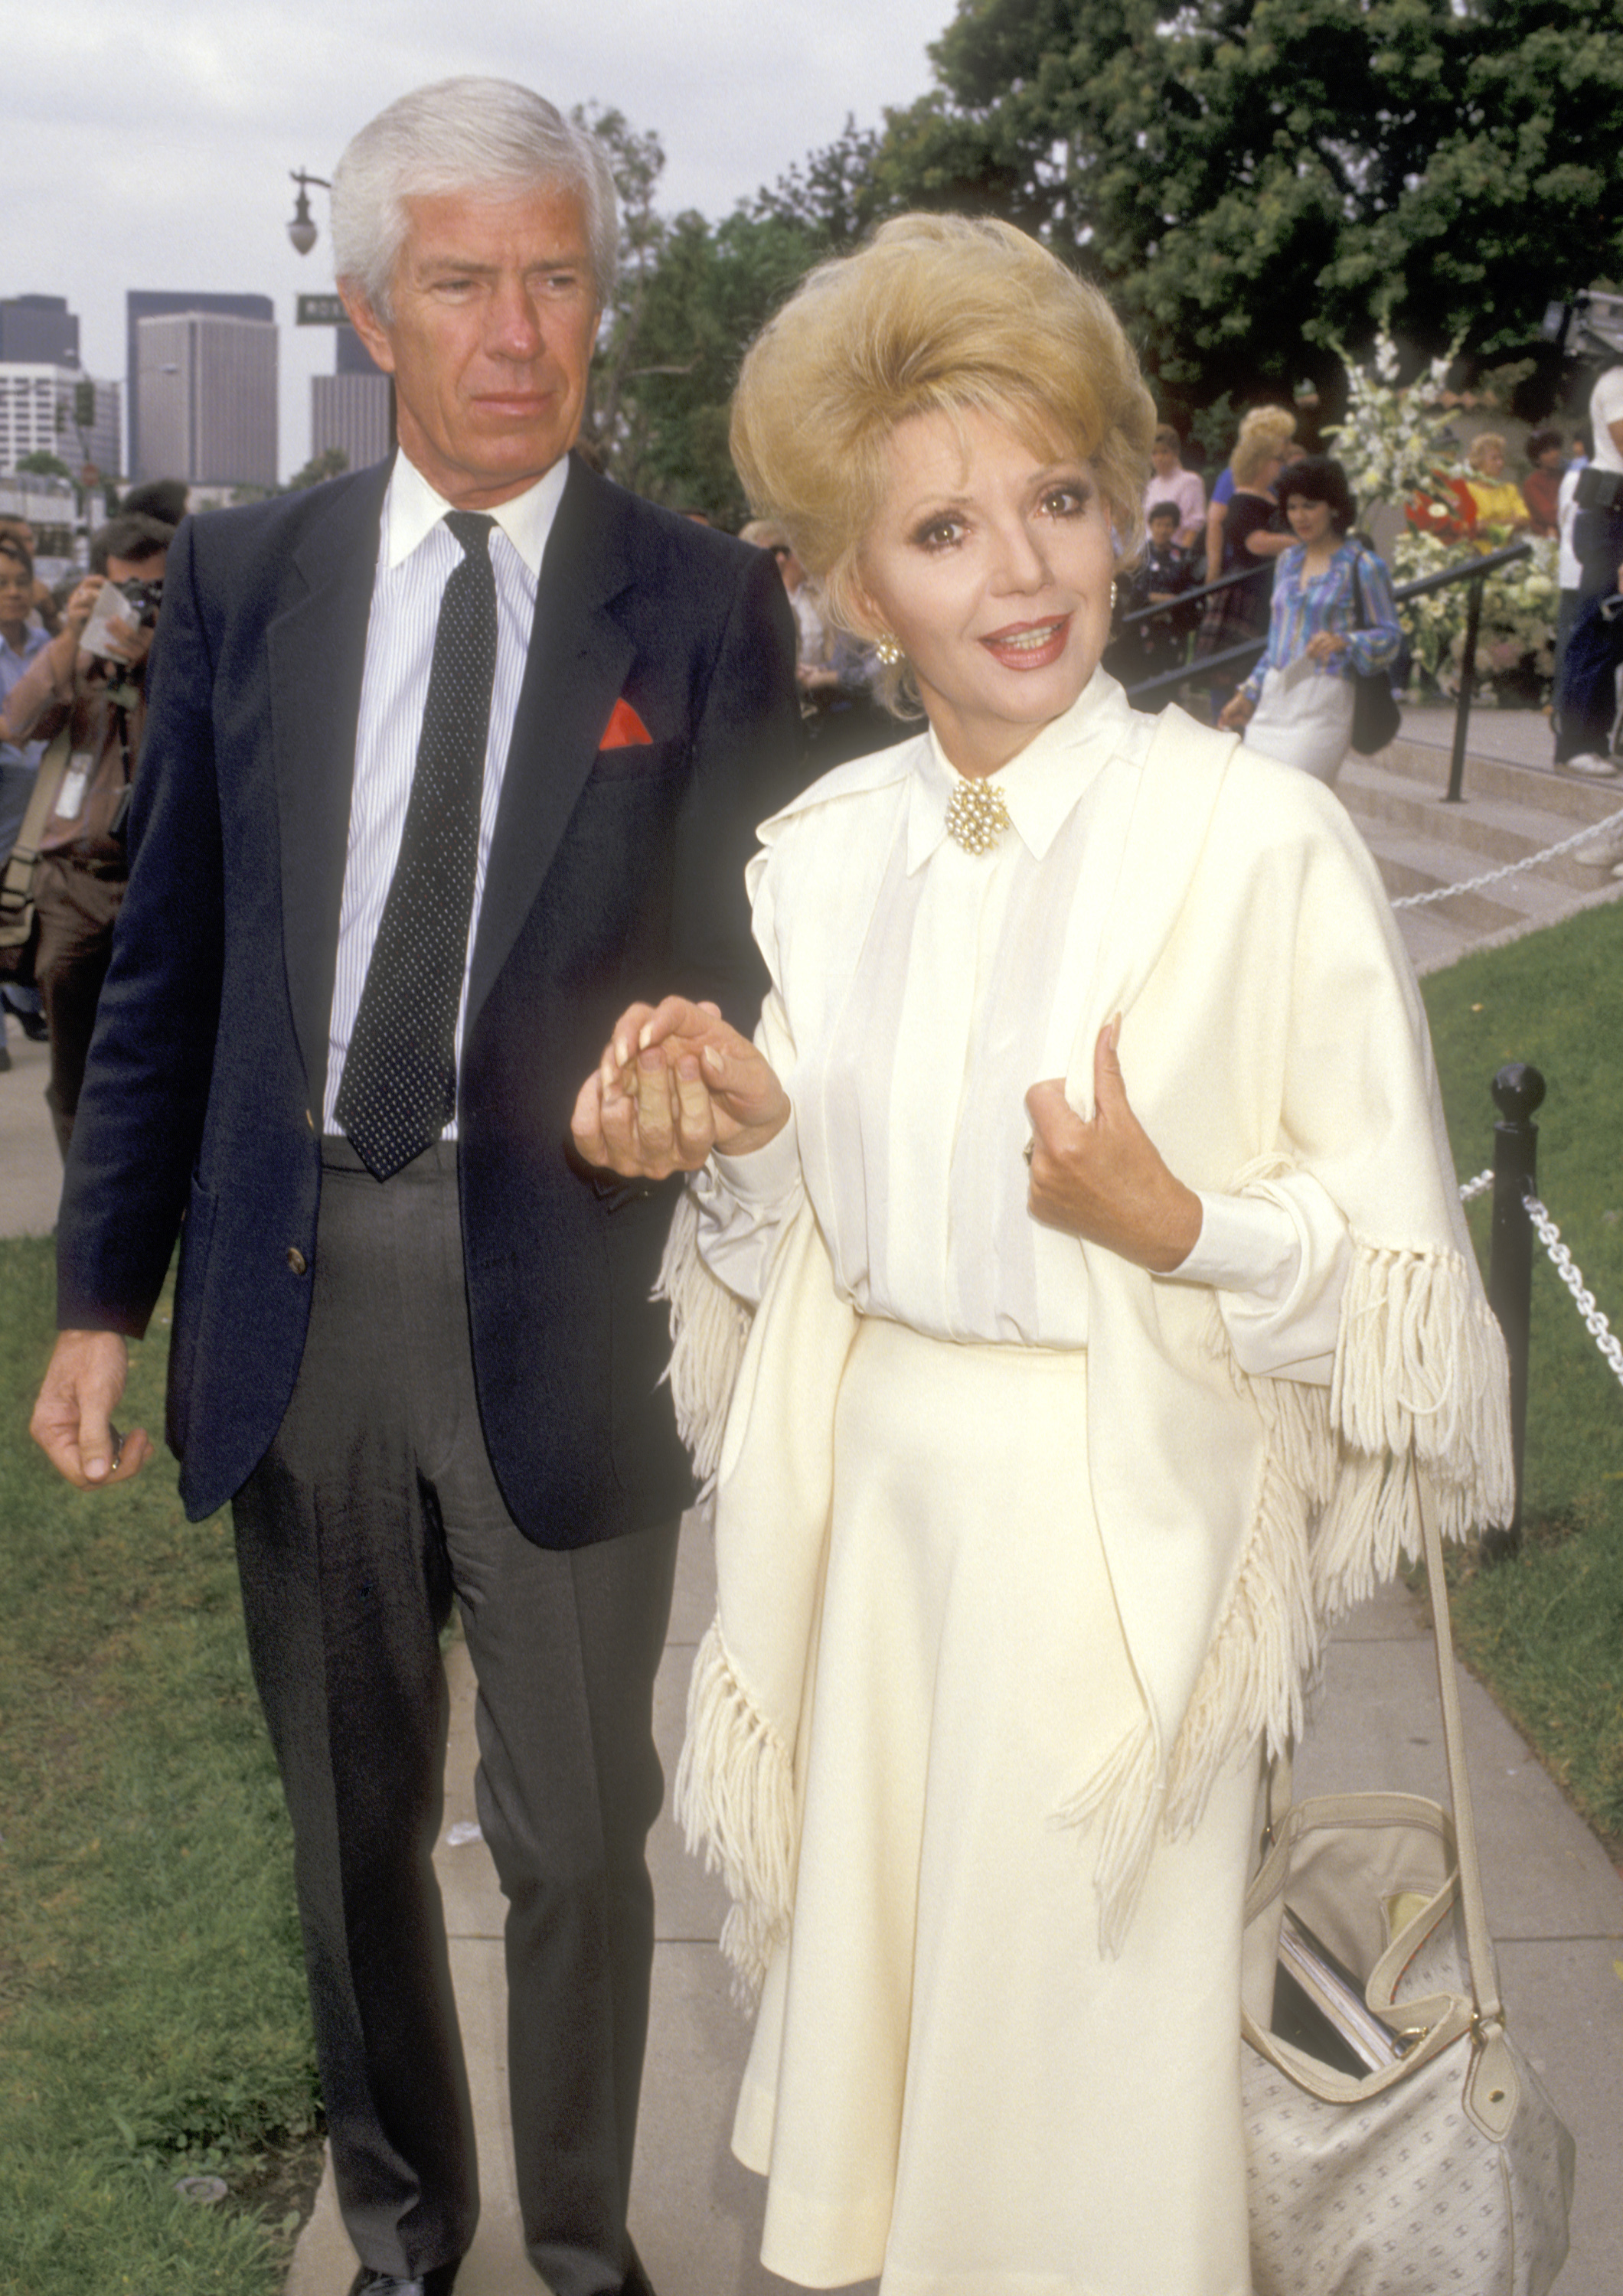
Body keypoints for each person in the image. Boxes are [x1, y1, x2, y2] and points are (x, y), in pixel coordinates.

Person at [569, 214, 1511, 2296]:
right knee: (906, 2106)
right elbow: (794, 1249)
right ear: (850, 586)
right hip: (879, 1554)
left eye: (1061, 500)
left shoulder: (1260, 840)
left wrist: (1184, 1227)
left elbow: (1408, 1305)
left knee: (1090, 2127)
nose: (1021, 570)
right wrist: (733, 1135)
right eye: (941, 530)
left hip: (1123, 1583)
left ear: (1119, 501)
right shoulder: (821, 860)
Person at [28, 77, 799, 2296]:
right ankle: (401, 2242)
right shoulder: (253, 580)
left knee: (579, 1842)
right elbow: (171, 954)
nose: (517, 327)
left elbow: (758, 949)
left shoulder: (701, 604)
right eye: (463, 281)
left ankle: (580, 2250)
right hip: (304, 1289)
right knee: (353, 1834)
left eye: (557, 275)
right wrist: (104, 1299)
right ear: (374, 309)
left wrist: (704, 1069)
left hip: (570, 1291)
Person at [0, 514, 172, 1149]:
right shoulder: (75, 654)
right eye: (125, 593)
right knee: (74, 1069)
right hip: (73, 885)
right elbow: (18, 723)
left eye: (156, 593)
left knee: (164, 1061)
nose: (139, 608)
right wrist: (75, 635)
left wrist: (159, 655)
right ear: (96, 587)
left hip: (162, 884)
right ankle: (84, 1218)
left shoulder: (187, 658)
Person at [1217, 455, 1403, 784]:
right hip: (1276, 699)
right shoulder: (1287, 561)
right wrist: (1248, 692)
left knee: (1297, 794)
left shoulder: (1363, 565)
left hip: (1325, 702)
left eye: (1309, 506)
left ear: (1333, 506)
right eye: (1292, 507)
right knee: (1257, 798)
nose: (1299, 517)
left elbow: (1390, 638)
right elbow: (1277, 641)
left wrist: (1347, 641)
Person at [1194, 417, 1293, 715]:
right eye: (1277, 460)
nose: (1281, 465)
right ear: (1261, 463)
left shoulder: (1263, 497)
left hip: (1259, 587)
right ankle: (1226, 721)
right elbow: (1255, 543)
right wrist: (1298, 543)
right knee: (1233, 670)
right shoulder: (1243, 501)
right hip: (1245, 591)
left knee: (1245, 665)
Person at [1554, 364, 1623, 781]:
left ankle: (1596, 740)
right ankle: (1577, 744)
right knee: (1599, 626)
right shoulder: (1618, 380)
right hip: (1609, 512)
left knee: (1613, 635)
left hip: (1613, 512)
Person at [1141, 423, 1205, 546]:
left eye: (1164, 452)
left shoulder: (1190, 481)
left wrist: (1179, 559)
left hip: (1175, 554)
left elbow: (1193, 527)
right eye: (1154, 453)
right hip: (1150, 554)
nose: (1159, 458)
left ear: (1175, 453)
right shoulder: (1150, 486)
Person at [1461, 432, 1532, 539]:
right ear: (1478, 462)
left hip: (1509, 552)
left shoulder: (1509, 489)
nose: (1501, 463)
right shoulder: (1467, 490)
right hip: (1479, 553)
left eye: (1501, 458)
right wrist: (1511, 521)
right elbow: (1475, 528)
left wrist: (1489, 523)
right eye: (1494, 459)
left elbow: (1524, 520)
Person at [1520, 428, 1565, 537]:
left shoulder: (1564, 476)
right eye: (1547, 452)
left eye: (1555, 449)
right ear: (1536, 459)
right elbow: (1550, 516)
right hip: (1546, 541)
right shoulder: (1532, 484)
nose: (1554, 454)